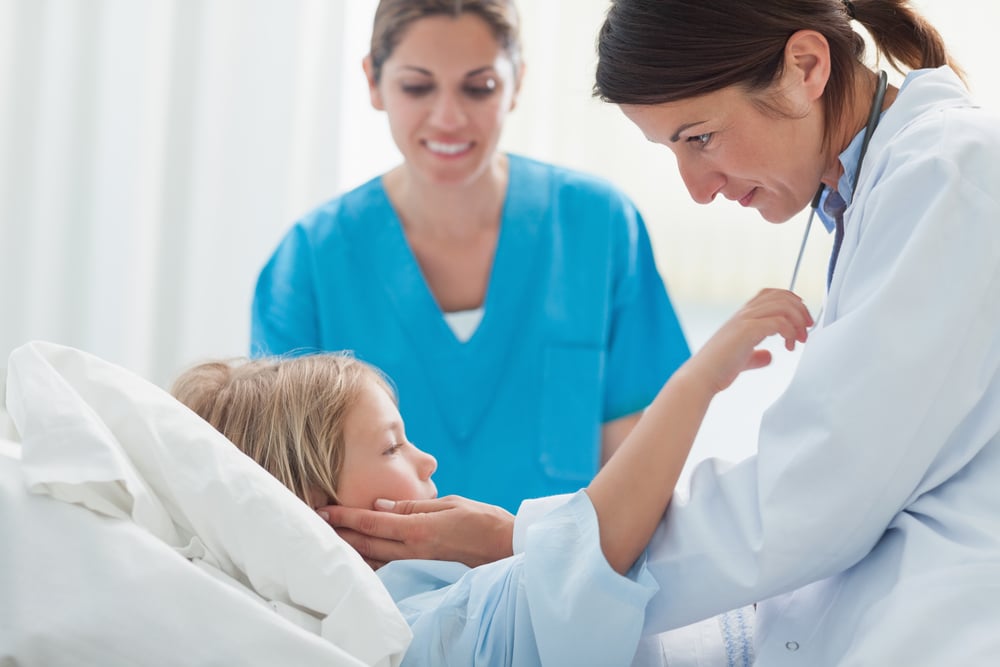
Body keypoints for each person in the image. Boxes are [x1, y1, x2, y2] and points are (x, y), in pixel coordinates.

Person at [322, 0, 1000, 663]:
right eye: (672, 149)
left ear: (805, 67)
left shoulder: (947, 175)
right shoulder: (886, 190)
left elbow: (816, 495)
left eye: (699, 137)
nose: (698, 189)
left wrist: (527, 542)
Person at [176, 289, 811, 666]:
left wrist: (506, 539)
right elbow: (596, 549)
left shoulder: (434, 591)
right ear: (316, 506)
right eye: (393, 445)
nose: (426, 461)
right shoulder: (407, 631)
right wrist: (698, 383)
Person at [250, 0, 690, 513]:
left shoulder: (599, 227)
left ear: (517, 83)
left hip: (559, 582)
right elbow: (285, 496)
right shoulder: (310, 263)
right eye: (418, 87)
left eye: (478, 88)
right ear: (373, 81)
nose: (449, 117)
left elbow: (638, 471)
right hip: (372, 587)